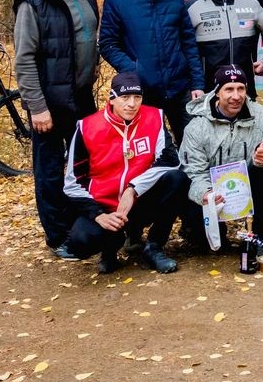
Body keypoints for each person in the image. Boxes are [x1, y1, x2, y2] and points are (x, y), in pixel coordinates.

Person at [14, 0, 100, 259]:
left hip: (81, 96)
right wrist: (37, 107)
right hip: (48, 102)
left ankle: (81, 223)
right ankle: (57, 236)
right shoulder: (32, 2)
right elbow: (24, 58)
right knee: (50, 171)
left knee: (83, 164)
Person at [62, 72, 189, 274]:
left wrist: (133, 189)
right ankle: (109, 249)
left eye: (137, 97)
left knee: (178, 179)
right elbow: (72, 182)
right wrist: (98, 215)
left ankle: (153, 247)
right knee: (80, 242)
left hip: (140, 201)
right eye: (125, 98)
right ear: (111, 99)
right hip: (104, 205)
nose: (132, 104)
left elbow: (170, 160)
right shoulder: (87, 127)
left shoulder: (154, 117)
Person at [99, 0, 205, 143]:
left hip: (180, 87)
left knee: (194, 145)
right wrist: (135, 70)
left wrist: (197, 84)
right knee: (154, 149)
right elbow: (108, 44)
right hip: (143, 92)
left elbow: (188, 43)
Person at [180, 66, 263, 246]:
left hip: (248, 188)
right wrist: (206, 193)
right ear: (217, 92)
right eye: (229, 89)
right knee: (207, 246)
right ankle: (197, 231)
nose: (236, 96)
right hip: (212, 192)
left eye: (241, 89)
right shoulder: (197, 126)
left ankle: (257, 235)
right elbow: (193, 171)